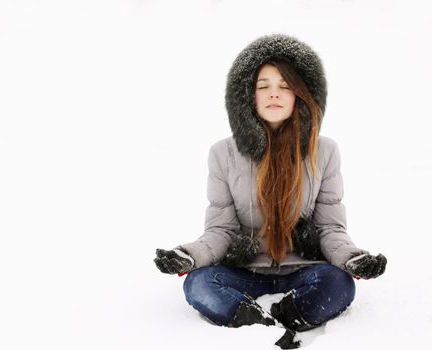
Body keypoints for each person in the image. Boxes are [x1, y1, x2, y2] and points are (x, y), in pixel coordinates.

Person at [153, 33, 387, 349]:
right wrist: (188, 256)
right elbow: (220, 229)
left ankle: (286, 314)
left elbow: (330, 227)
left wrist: (352, 259)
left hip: (303, 272)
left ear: (301, 95)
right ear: (248, 96)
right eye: (263, 86)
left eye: (285, 86)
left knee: (339, 284)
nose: (273, 94)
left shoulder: (325, 152)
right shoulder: (222, 153)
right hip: (244, 272)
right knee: (199, 285)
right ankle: (259, 326)